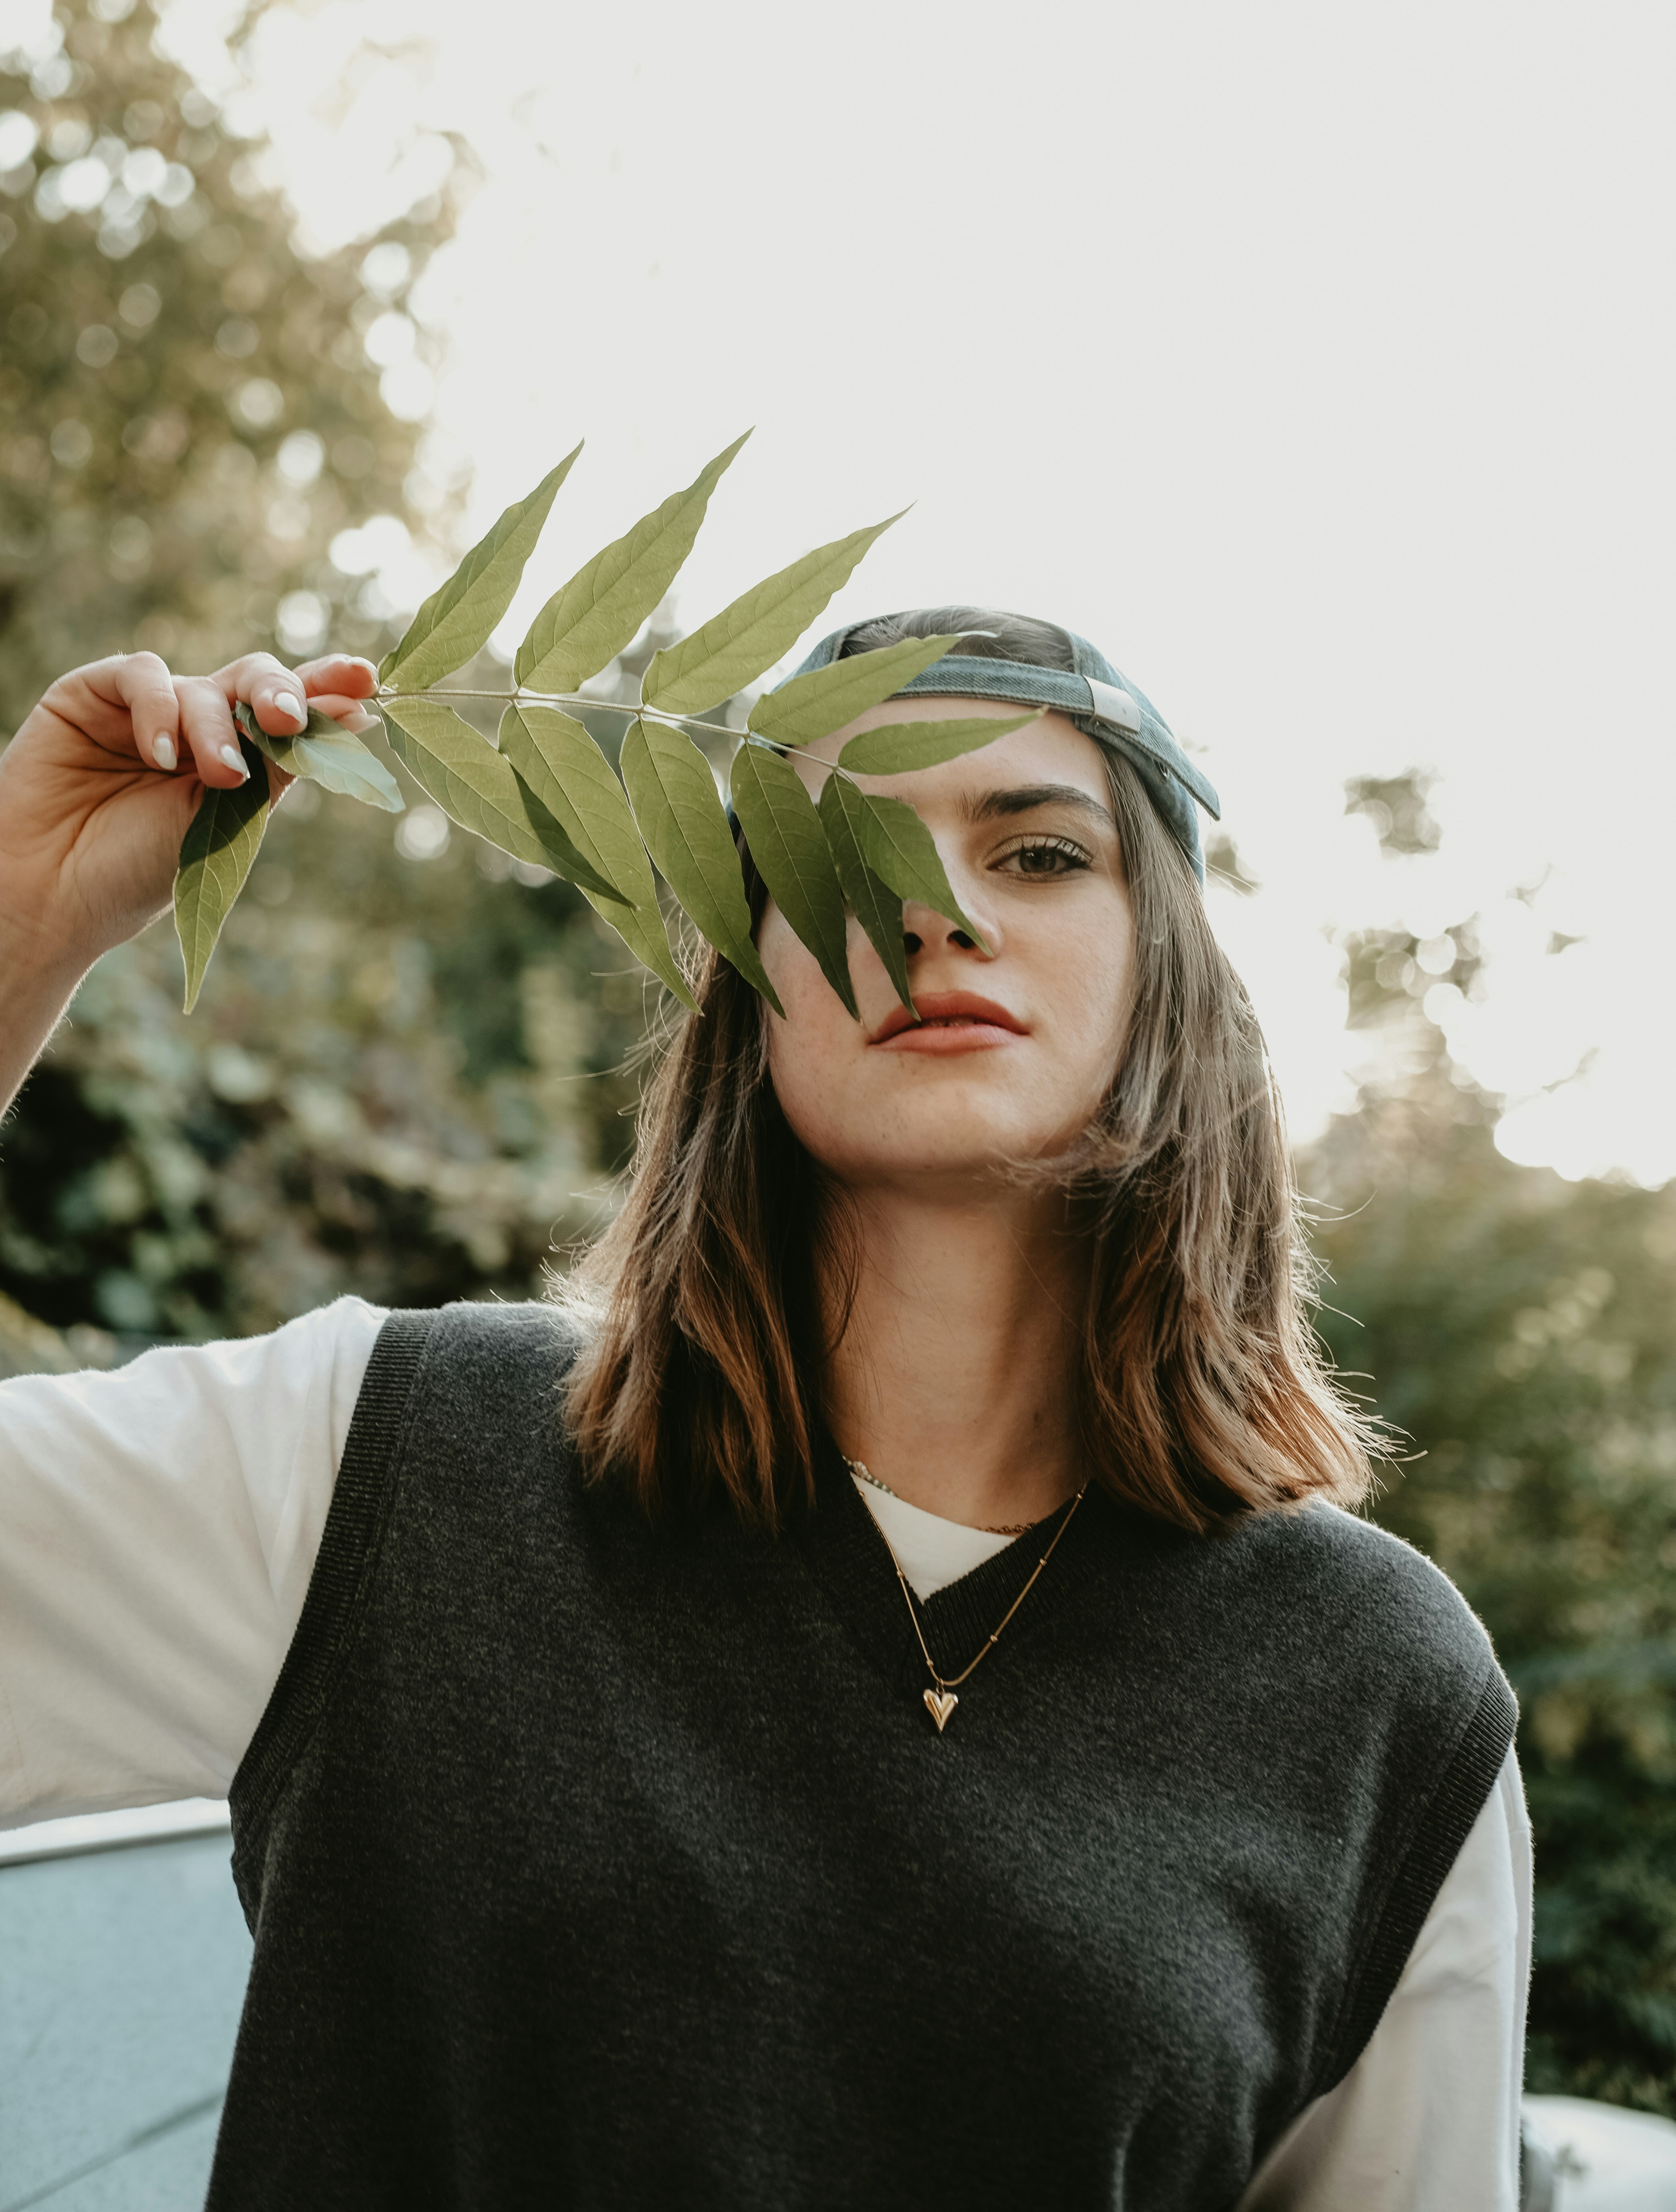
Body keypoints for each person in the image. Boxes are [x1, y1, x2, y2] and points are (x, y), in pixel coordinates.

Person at [0, 613, 1529, 2211]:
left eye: (1036, 854)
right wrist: (22, 916)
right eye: (834, 852)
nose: (931, 908)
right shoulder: (370, 1464)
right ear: (745, 975)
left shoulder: (1381, 1703)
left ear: (1167, 969)